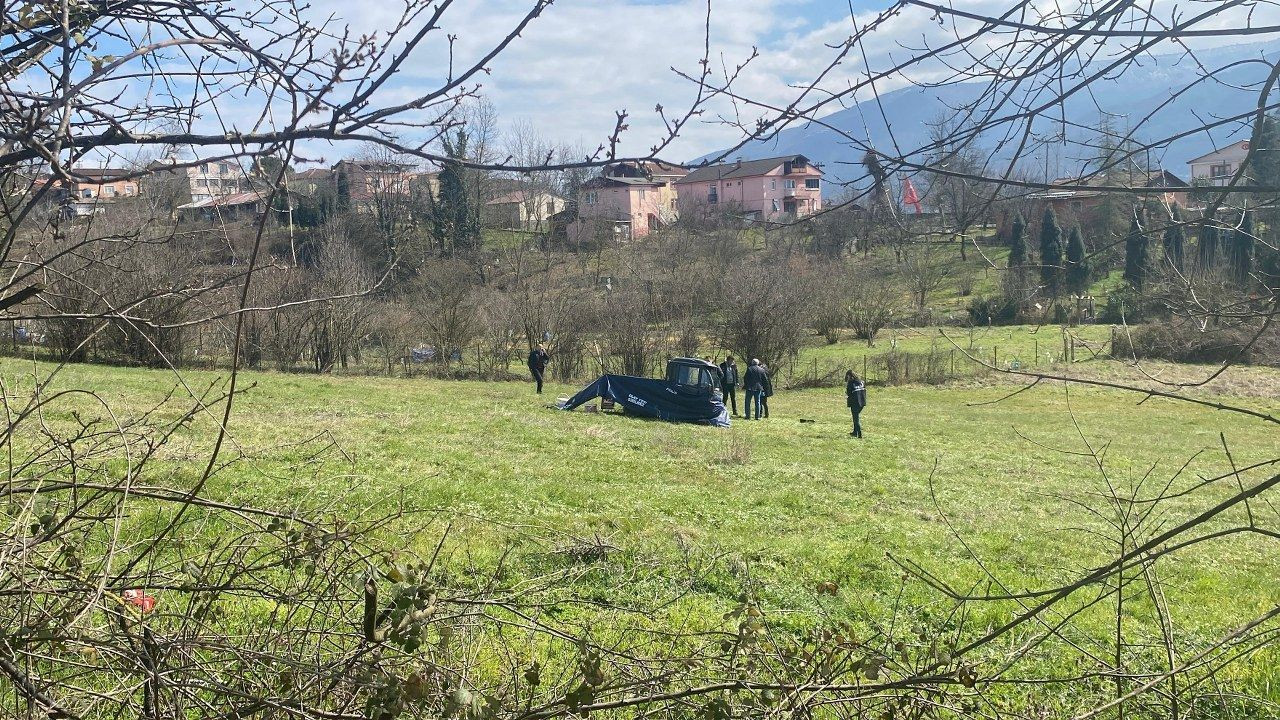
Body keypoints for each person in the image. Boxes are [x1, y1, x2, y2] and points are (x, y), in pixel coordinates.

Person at [845, 370, 867, 438]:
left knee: (856, 419)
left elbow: (848, 393)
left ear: (849, 376)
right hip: (862, 402)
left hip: (855, 403)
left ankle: (859, 435)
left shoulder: (851, 383)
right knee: (856, 417)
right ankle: (855, 432)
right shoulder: (862, 382)